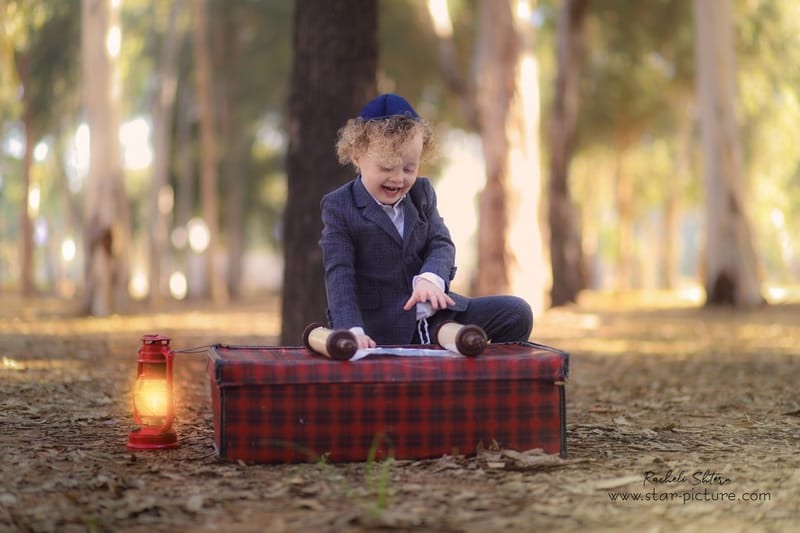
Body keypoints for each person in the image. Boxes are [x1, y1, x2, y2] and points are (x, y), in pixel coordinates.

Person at [319, 93, 532, 349]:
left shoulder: (421, 194)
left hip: (436, 314)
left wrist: (430, 278)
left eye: (409, 168)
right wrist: (351, 330)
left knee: (516, 312)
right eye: (386, 168)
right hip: (382, 326)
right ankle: (448, 349)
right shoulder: (340, 206)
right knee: (445, 337)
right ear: (357, 156)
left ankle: (484, 381)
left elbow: (440, 242)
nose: (398, 179)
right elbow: (340, 275)